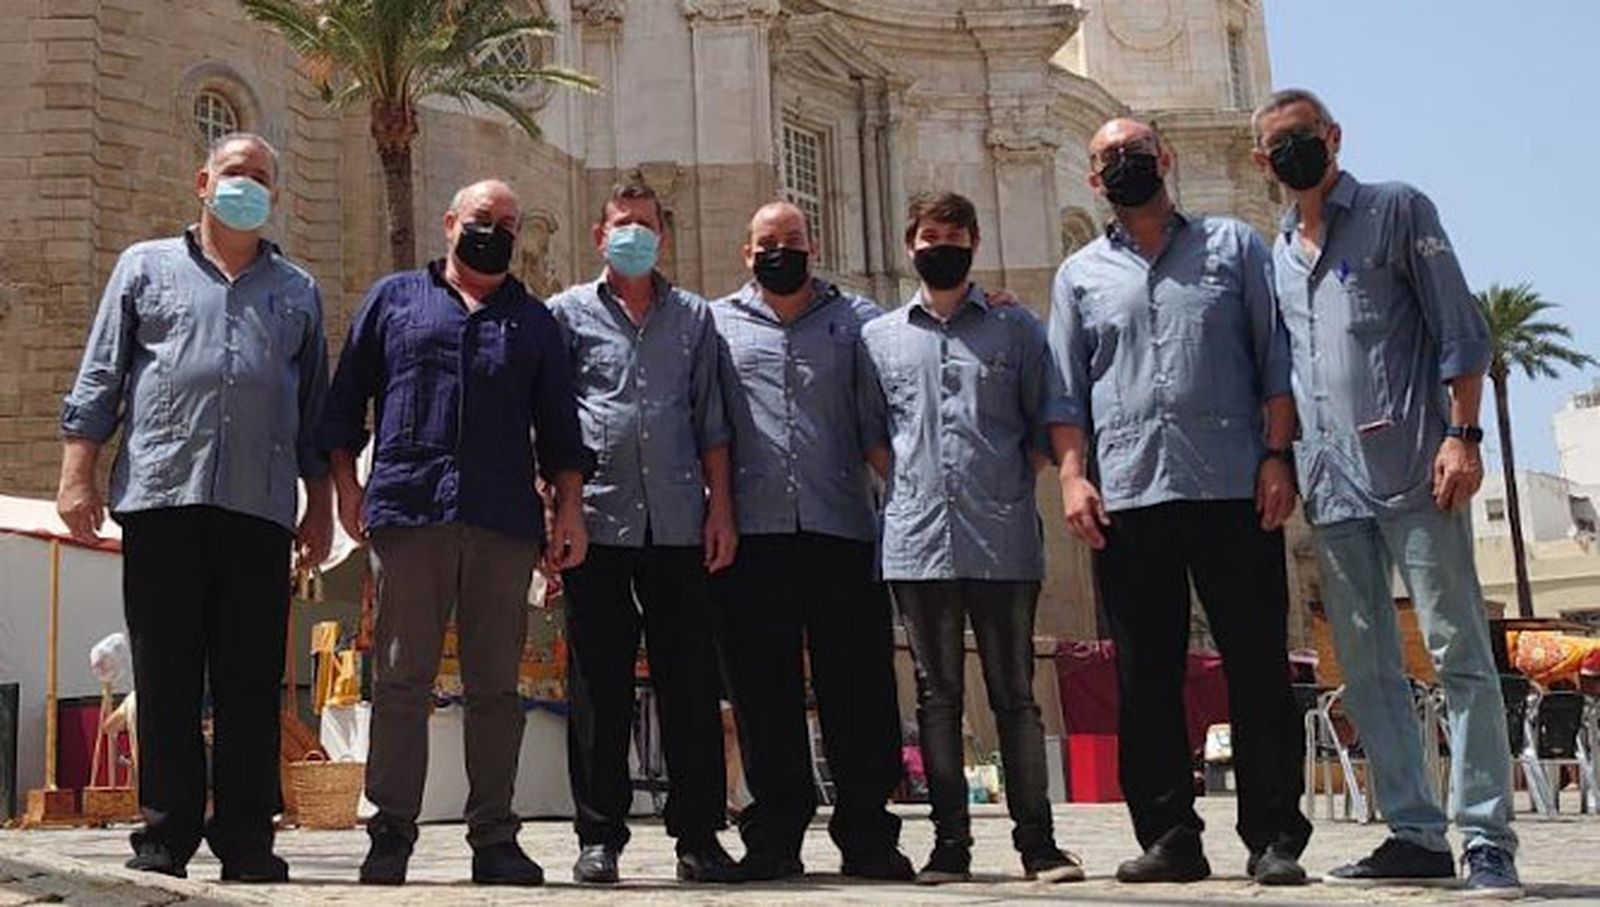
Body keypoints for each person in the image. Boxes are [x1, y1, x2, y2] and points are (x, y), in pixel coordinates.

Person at [1251, 88, 1520, 897]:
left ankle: (1486, 838)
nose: (1293, 152)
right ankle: (1414, 831)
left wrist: (1463, 434)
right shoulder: (1277, 252)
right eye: (1277, 144)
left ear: (1333, 137)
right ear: (1261, 161)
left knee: (1457, 652)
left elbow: (1460, 327)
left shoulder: (1397, 209)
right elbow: (1288, 372)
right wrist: (1281, 458)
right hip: (1332, 484)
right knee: (1366, 666)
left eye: (1303, 136)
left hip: (1416, 468)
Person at [56, 132, 331, 883]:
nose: (248, 185)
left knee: (250, 679)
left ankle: (247, 839)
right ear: (203, 182)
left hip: (258, 506)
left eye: (261, 176)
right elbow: (102, 374)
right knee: (166, 673)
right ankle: (164, 834)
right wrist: (78, 472)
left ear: (275, 194)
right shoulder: (143, 267)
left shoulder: (298, 291)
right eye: (235, 172)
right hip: (161, 497)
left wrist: (320, 506)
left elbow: (314, 411)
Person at [1049, 117, 1312, 886]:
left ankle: (1273, 835)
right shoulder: (1079, 275)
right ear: (1092, 179)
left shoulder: (1235, 246)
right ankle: (1169, 834)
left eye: (1134, 152)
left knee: (1257, 666)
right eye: (1107, 158)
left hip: (1233, 485)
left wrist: (1278, 455)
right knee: (1145, 673)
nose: (1122, 165)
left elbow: (1275, 360)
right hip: (1130, 496)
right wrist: (1072, 477)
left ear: (1163, 158)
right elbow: (1066, 391)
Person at [319, 179, 590, 887]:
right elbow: (344, 403)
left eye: (508, 222)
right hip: (410, 512)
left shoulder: (533, 323)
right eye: (482, 218)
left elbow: (561, 432)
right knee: (401, 679)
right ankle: (390, 833)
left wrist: (568, 508)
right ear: (449, 223)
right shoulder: (395, 300)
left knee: (496, 687)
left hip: (502, 523)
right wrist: (347, 487)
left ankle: (495, 837)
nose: (494, 230)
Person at [860, 191, 1083, 887]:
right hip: (917, 537)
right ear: (911, 244)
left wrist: (1005, 480)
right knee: (937, 697)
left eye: (954, 236)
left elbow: (1046, 419)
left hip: (1002, 533)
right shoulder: (880, 337)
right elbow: (873, 436)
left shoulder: (1016, 329)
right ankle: (949, 844)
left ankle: (1038, 844)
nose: (942, 246)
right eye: (930, 236)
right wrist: (917, 483)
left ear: (974, 243)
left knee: (1015, 692)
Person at [709, 201, 912, 882]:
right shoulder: (716, 324)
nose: (780, 250)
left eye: (792, 240)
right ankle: (773, 835)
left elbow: (894, 396)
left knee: (858, 688)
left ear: (813, 246)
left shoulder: (859, 321)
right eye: (767, 241)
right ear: (747, 252)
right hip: (754, 533)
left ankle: (868, 834)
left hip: (841, 526)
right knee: (761, 692)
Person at [547, 183, 742, 885]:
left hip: (679, 520)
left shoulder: (693, 317)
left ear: (663, 235)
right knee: (599, 683)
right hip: (597, 519)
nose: (635, 233)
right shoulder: (566, 314)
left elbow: (711, 419)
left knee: (689, 682)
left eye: (647, 224)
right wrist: (561, 509)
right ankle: (599, 836)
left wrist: (721, 510)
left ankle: (700, 837)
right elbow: (555, 422)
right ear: (600, 235)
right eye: (623, 223)